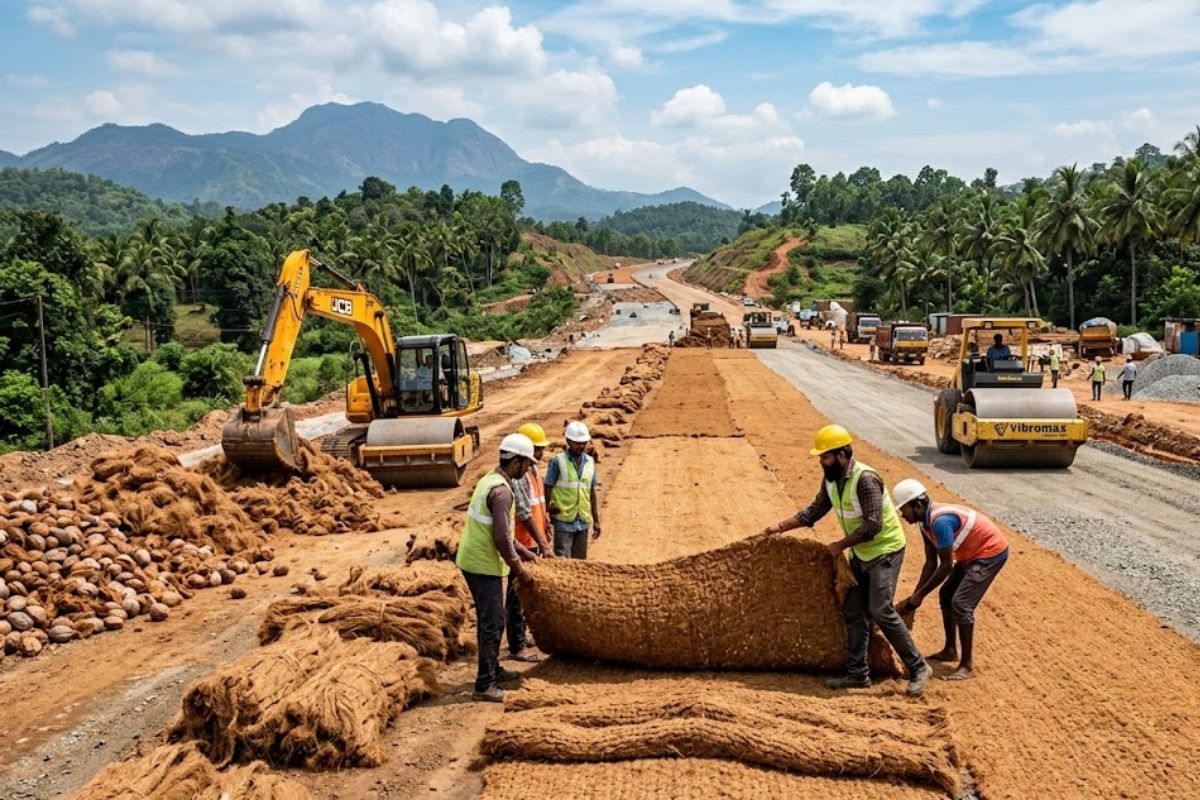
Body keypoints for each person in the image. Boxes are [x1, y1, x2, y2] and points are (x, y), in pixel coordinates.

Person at [757, 425, 931, 696]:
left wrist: (839, 546)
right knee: (853, 609)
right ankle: (858, 674)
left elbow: (873, 525)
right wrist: (779, 527)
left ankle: (919, 667)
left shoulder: (865, 480)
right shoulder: (831, 481)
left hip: (885, 550)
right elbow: (814, 511)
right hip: (860, 552)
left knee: (880, 609)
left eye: (825, 456)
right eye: (820, 457)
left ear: (841, 455)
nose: (821, 461)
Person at [893, 479, 1009, 682]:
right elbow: (930, 563)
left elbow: (945, 566)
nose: (903, 515)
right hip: (969, 553)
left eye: (904, 509)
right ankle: (950, 650)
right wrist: (915, 597)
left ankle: (967, 665)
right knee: (946, 594)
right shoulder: (925, 524)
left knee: (961, 604)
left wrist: (918, 597)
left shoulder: (940, 522)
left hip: (989, 553)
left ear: (917, 505)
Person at [456, 433, 539, 702]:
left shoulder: (491, 480)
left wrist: (526, 553)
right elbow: (501, 539)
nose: (528, 469)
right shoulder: (502, 492)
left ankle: (493, 669)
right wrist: (520, 569)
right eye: (527, 464)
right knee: (493, 623)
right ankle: (485, 683)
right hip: (481, 564)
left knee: (489, 620)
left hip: (476, 560)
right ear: (516, 462)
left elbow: (505, 533)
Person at [508, 423, 554, 664]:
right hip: (522, 543)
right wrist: (542, 543)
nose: (541, 453)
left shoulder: (533, 471)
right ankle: (516, 645)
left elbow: (538, 505)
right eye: (537, 449)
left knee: (528, 593)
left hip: (534, 541)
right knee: (516, 595)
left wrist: (546, 527)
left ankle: (523, 635)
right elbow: (524, 513)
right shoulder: (519, 476)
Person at [545, 421, 601, 559]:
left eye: (583, 443)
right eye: (577, 443)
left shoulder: (590, 462)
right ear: (568, 441)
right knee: (562, 560)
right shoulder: (557, 461)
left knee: (580, 562)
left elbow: (591, 492)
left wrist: (596, 520)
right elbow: (548, 486)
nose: (581, 446)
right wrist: (549, 507)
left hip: (582, 520)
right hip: (563, 519)